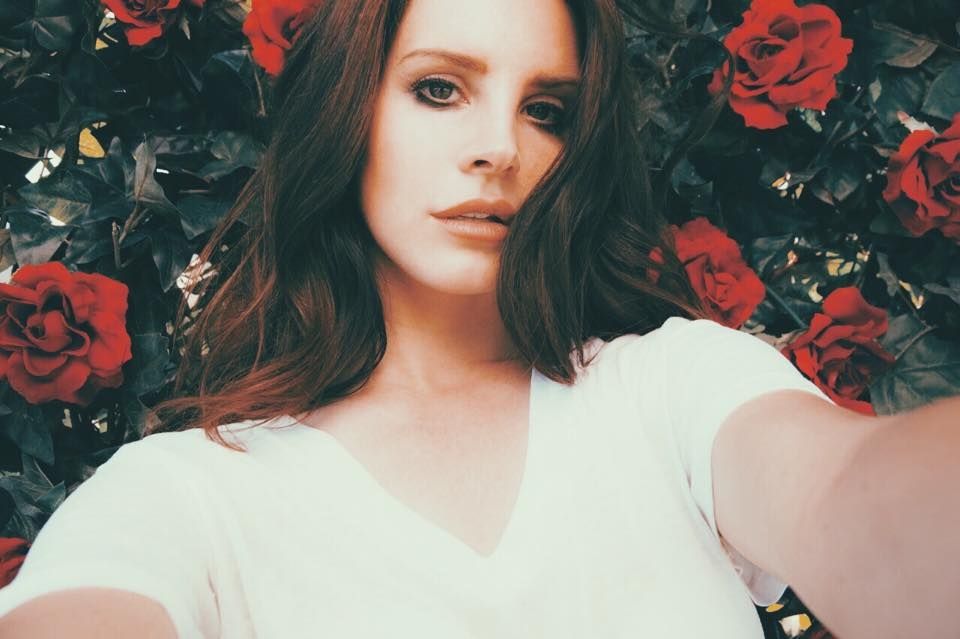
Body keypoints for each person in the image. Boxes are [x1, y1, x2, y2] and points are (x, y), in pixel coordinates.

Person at [0, 0, 956, 637]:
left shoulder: (673, 390)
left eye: (547, 110)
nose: (500, 146)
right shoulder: (188, 492)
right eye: (440, 88)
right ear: (348, 113)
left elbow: (856, 508)